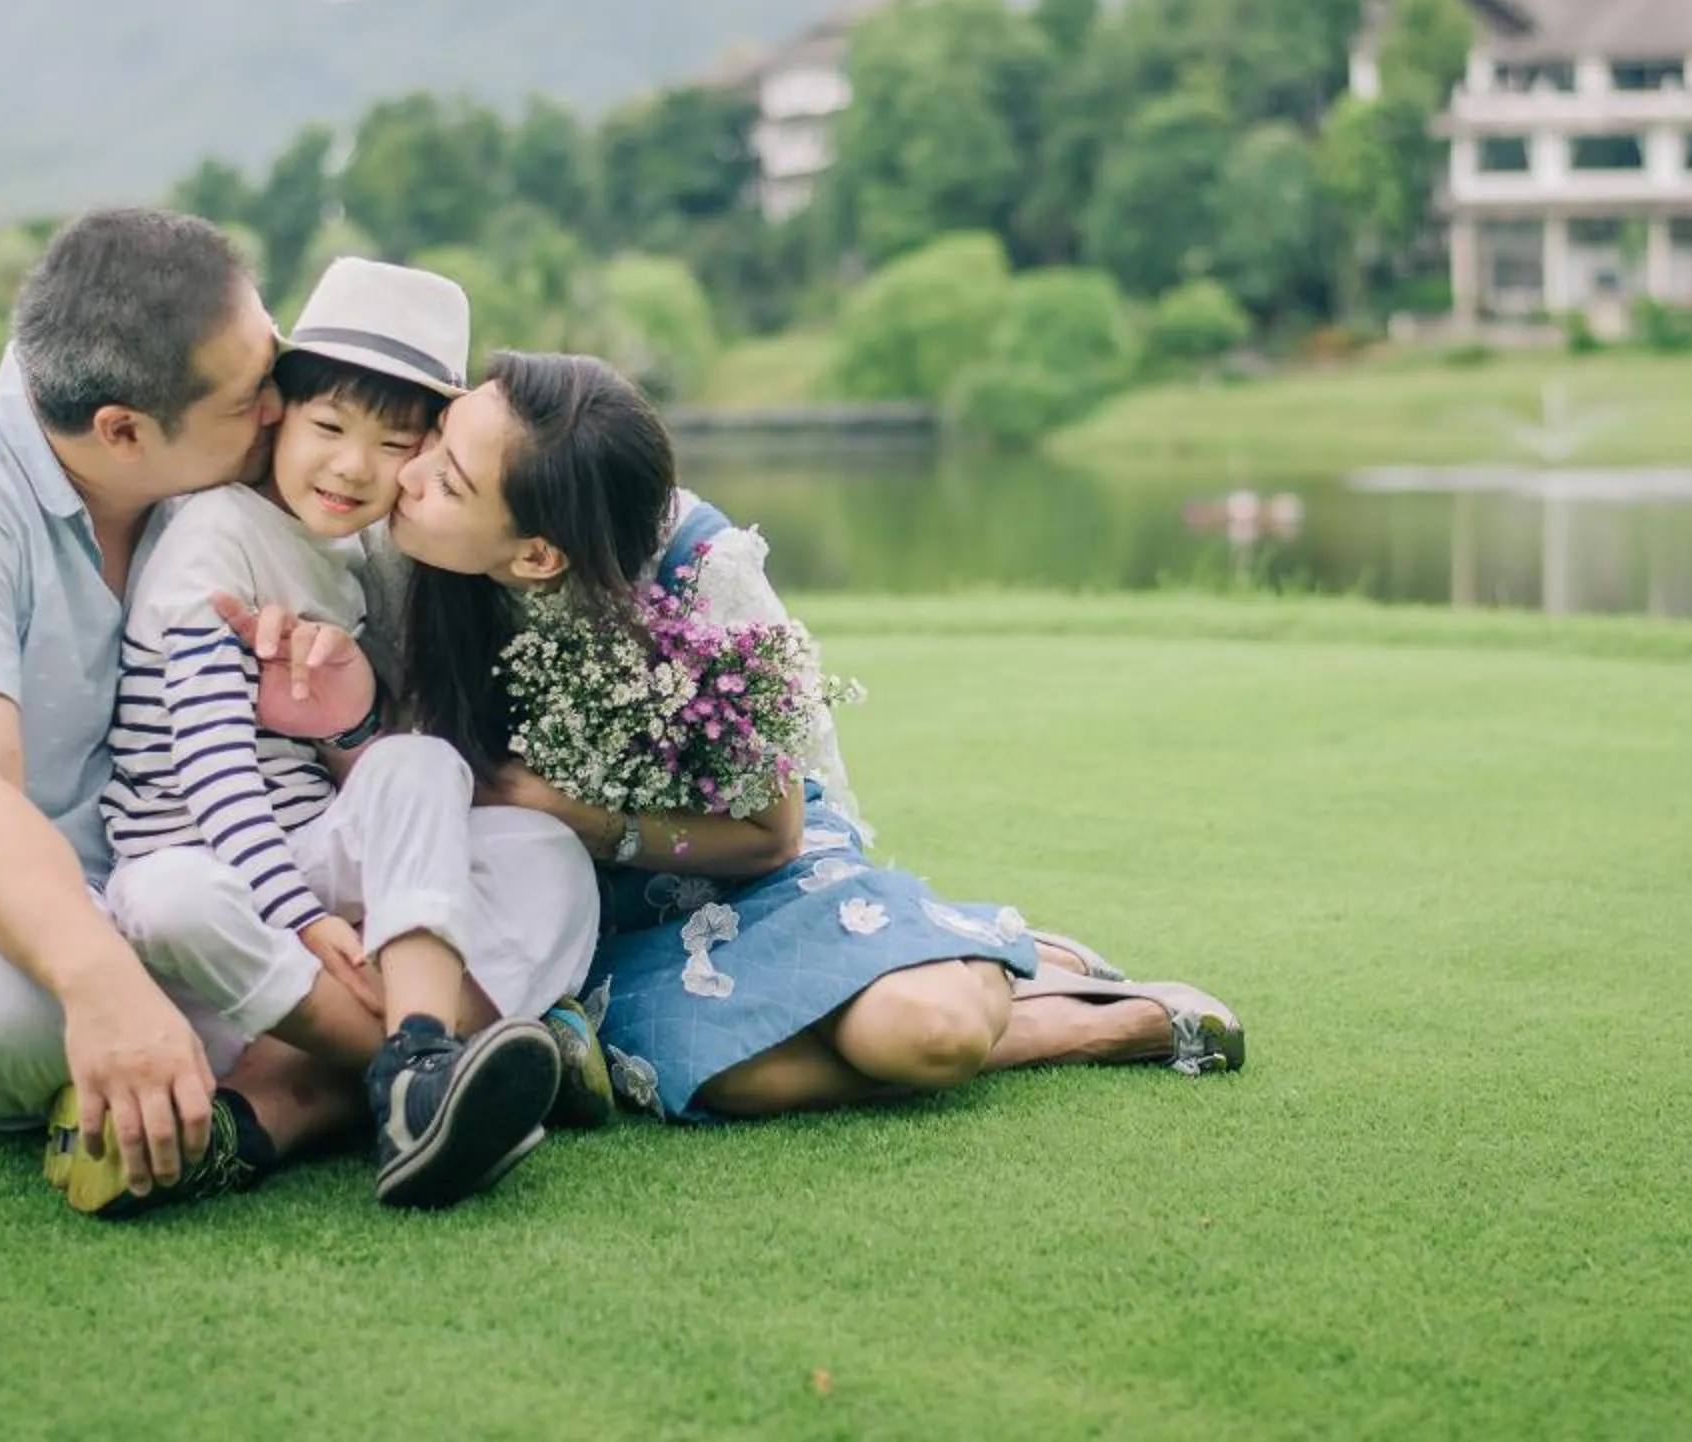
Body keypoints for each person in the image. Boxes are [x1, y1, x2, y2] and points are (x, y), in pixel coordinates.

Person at [375, 349, 1246, 1122]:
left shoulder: (696, 576)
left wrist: (579, 813)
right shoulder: (416, 549)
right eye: (438, 437)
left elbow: (774, 834)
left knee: (922, 1036)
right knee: (727, 1079)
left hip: (753, 869)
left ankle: (1088, 1013)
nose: (408, 472)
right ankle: (1025, 964)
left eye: (448, 477)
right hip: (591, 910)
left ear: (539, 555)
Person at [0, 210, 402, 1220]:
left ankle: (279, 1080)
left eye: (272, 368)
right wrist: (101, 981)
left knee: (474, 842)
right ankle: (399, 1063)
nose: (280, 411)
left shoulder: (210, 480)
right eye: (251, 398)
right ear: (122, 431)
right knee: (6, 1004)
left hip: (210, 887)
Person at [88, 257, 596, 1209]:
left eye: (395, 442)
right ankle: (433, 1069)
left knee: (533, 843)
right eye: (328, 427)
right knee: (167, 897)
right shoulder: (216, 539)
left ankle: (415, 1057)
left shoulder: (358, 550)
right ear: (279, 410)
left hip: (311, 859)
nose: (355, 466)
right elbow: (210, 773)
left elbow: (390, 787)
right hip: (213, 866)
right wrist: (305, 916)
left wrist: (358, 723)